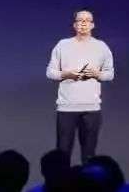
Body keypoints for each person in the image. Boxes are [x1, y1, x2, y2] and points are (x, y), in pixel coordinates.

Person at [45, 9, 115, 164]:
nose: (83, 23)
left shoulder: (101, 47)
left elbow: (110, 74)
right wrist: (67, 74)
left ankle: (87, 179)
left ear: (92, 25)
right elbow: (50, 72)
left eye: (87, 20)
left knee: (89, 155)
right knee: (62, 153)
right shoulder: (63, 45)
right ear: (74, 25)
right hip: (67, 108)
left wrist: (97, 74)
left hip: (91, 108)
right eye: (80, 20)